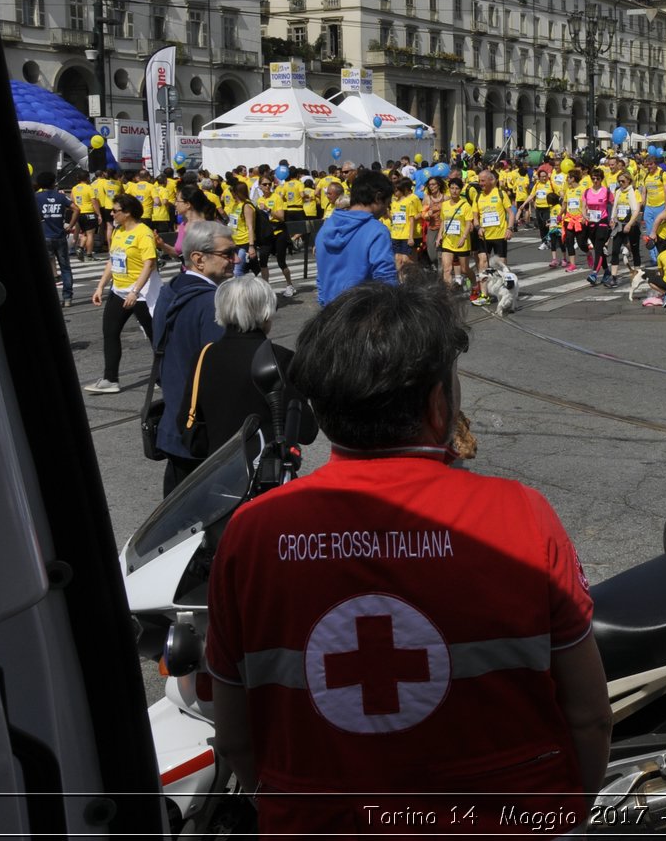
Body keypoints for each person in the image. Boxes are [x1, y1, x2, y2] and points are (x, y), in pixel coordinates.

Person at [206, 277, 609, 835]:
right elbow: (588, 716)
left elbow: (236, 741)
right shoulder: (521, 514)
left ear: (321, 411)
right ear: (439, 401)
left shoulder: (252, 533)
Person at [181, 275, 317, 460]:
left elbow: (184, 418)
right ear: (266, 312)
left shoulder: (204, 355)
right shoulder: (280, 358)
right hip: (265, 473)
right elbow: (306, 430)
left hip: (218, 470)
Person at [152, 221, 237, 494]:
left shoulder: (170, 290)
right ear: (199, 259)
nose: (235, 259)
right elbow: (221, 370)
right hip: (203, 433)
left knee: (175, 519)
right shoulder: (212, 302)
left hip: (174, 425)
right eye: (228, 253)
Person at [86, 193, 158, 394]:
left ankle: (165, 373)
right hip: (118, 292)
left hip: (141, 294)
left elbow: (149, 264)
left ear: (127, 213)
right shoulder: (118, 231)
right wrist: (100, 286)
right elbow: (112, 260)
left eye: (115, 210)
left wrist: (135, 291)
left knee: (156, 336)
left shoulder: (143, 232)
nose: (112, 214)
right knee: (110, 333)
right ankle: (110, 379)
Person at [315, 169, 398, 307]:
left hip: (330, 314)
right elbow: (386, 281)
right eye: (387, 203)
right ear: (378, 197)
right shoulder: (377, 230)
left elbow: (321, 278)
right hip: (363, 315)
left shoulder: (325, 228)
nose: (386, 209)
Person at [33, 171, 74, 307]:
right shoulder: (61, 197)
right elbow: (76, 209)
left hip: (44, 236)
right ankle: (67, 298)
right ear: (53, 183)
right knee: (65, 268)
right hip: (60, 236)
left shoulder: (36, 197)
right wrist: (70, 226)